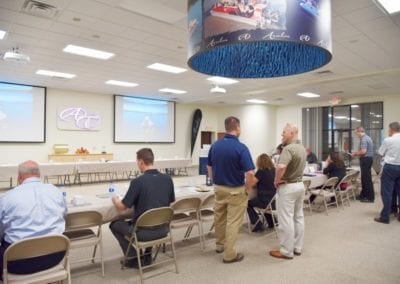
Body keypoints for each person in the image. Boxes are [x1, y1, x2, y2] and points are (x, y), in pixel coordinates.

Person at [0, 160, 67, 279]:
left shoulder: (7, 197)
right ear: (39, 175)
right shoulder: (55, 191)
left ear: (19, 177)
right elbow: (64, 215)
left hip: (17, 263)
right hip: (56, 256)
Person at [110, 148, 175, 268]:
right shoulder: (168, 179)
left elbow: (122, 208)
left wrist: (115, 199)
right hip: (164, 230)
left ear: (141, 162)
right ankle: (147, 255)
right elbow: (169, 203)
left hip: (143, 233)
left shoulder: (138, 182)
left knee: (114, 224)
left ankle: (134, 257)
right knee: (151, 218)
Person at [207, 116, 255, 264]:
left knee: (219, 218)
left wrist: (214, 181)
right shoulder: (241, 148)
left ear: (226, 128)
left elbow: (209, 167)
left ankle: (220, 245)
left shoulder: (215, 145)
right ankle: (229, 254)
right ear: (238, 128)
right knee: (233, 222)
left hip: (219, 188)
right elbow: (251, 173)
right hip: (235, 190)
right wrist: (248, 188)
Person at [270, 123, 306, 260]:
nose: (282, 135)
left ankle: (286, 251)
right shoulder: (301, 148)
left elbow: (280, 167)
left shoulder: (288, 149)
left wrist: (276, 181)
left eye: (284, 132)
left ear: (292, 133)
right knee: (298, 217)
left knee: (285, 220)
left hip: (288, 187)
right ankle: (297, 247)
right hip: (300, 185)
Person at [374, 122, 400, 224]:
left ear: (392, 129)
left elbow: (380, 152)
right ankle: (395, 211)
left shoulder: (388, 140)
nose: (388, 131)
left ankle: (385, 217)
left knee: (387, 193)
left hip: (390, 167)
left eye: (389, 130)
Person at [247, 153, 276, 232]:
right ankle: (271, 222)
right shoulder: (275, 170)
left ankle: (258, 225)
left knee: (247, 203)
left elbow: (252, 183)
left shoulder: (261, 172)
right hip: (275, 202)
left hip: (265, 201)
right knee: (265, 205)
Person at [352, 126, 374, 203]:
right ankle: (363, 195)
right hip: (368, 159)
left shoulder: (364, 139)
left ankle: (369, 197)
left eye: (356, 133)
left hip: (366, 160)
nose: (356, 135)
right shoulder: (367, 137)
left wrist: (355, 153)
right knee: (364, 178)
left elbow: (363, 151)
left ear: (359, 131)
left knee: (366, 179)